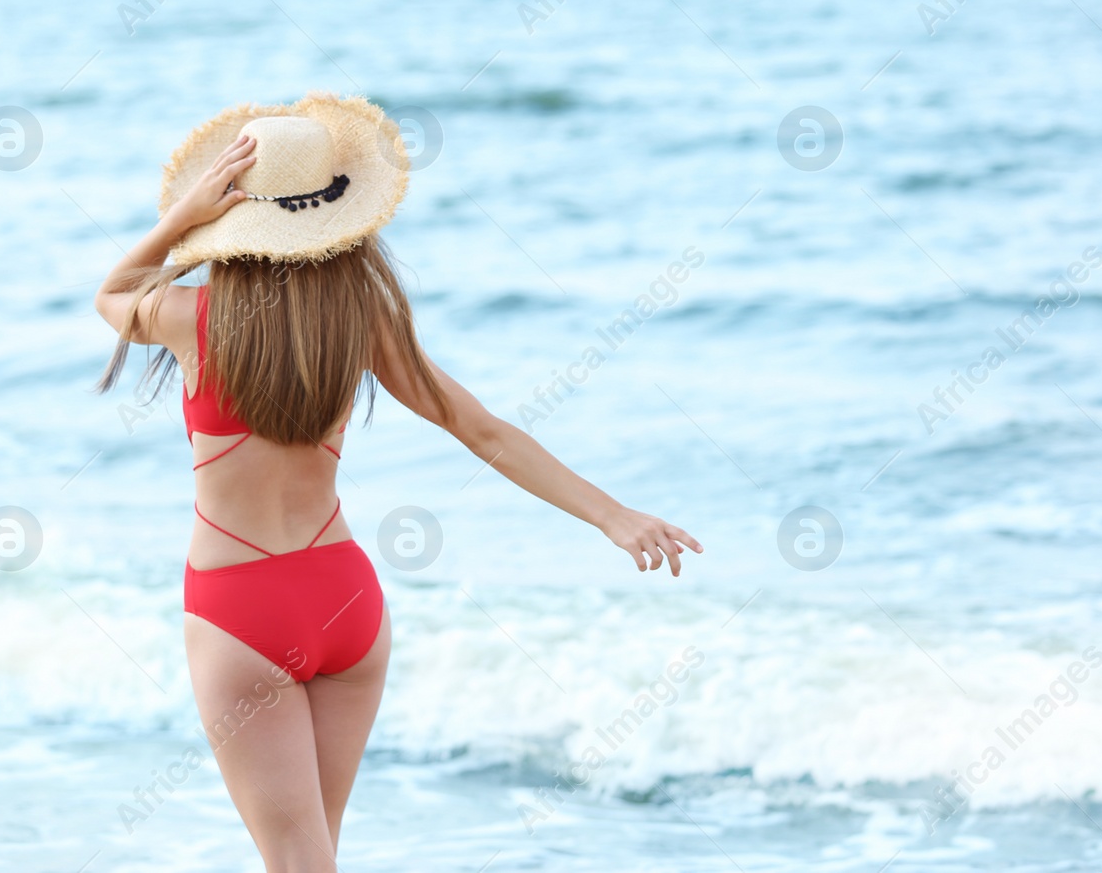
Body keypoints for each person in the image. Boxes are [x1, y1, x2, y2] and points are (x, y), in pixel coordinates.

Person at [92, 92, 702, 871]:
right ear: (336, 222)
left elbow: (111, 293)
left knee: (299, 862)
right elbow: (483, 429)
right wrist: (611, 515)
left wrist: (181, 217)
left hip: (237, 610)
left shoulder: (190, 319)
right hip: (347, 603)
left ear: (234, 224)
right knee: (318, 856)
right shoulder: (359, 324)